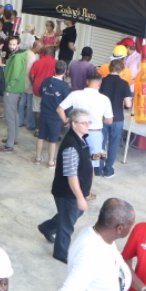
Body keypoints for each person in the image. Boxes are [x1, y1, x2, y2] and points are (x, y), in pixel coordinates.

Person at [54, 199, 137, 291]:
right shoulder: (93, 255)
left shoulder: (97, 235)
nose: (131, 229)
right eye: (131, 225)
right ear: (119, 228)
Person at [38, 108, 95, 263]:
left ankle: (47, 227)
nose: (87, 125)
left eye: (88, 122)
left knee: (72, 214)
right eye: (84, 123)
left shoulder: (82, 139)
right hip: (67, 192)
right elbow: (71, 176)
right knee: (67, 223)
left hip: (77, 191)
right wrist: (80, 198)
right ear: (73, 124)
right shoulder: (71, 145)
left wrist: (86, 192)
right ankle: (61, 253)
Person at [57, 72, 113, 176]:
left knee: (74, 161)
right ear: (100, 84)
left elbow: (60, 109)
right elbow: (109, 121)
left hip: (76, 132)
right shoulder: (105, 99)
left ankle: (74, 186)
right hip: (95, 134)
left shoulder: (75, 94)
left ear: (87, 81)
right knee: (93, 163)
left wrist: (67, 121)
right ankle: (88, 190)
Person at [99, 60, 132, 179]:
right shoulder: (124, 83)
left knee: (100, 144)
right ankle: (108, 171)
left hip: (102, 117)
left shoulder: (102, 81)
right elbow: (128, 104)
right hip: (117, 118)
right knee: (113, 145)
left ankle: (97, 169)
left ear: (109, 68)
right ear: (122, 70)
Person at [36, 61, 71, 168]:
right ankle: (51, 162)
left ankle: (38, 158)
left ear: (54, 70)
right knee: (53, 140)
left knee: (41, 136)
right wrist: (67, 119)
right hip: (55, 117)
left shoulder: (46, 81)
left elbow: (40, 92)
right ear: (65, 72)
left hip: (43, 113)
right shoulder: (64, 87)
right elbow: (68, 104)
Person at [0, 37, 27, 153]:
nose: (11, 46)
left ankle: (9, 144)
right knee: (14, 114)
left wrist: (8, 88)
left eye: (14, 44)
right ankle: (14, 138)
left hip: (12, 89)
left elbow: (15, 75)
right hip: (15, 88)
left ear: (19, 45)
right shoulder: (17, 56)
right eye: (10, 44)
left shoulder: (17, 57)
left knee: (10, 116)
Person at [30, 44, 58, 129]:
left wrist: (34, 83)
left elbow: (31, 75)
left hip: (37, 88)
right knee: (49, 111)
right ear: (53, 54)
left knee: (37, 110)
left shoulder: (37, 62)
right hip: (51, 89)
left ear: (44, 53)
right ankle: (46, 129)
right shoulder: (57, 63)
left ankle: (37, 129)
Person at [20, 40, 43, 132]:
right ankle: (30, 124)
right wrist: (33, 83)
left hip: (22, 81)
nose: (41, 50)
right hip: (28, 83)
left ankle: (19, 121)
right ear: (37, 47)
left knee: (21, 103)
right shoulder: (33, 57)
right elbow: (31, 73)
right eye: (41, 48)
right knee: (30, 104)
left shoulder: (26, 52)